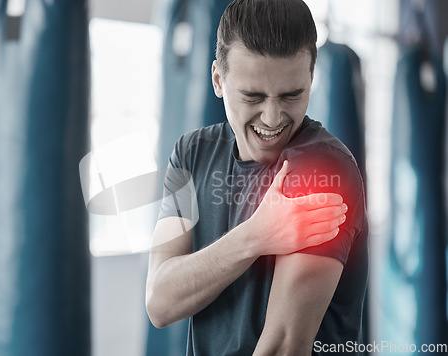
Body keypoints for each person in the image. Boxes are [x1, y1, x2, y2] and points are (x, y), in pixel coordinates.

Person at [146, 0, 368, 354]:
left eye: (292, 95)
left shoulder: (323, 169)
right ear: (218, 80)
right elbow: (160, 301)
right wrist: (256, 235)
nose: (272, 117)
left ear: (311, 79)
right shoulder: (190, 154)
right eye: (253, 96)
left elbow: (284, 345)